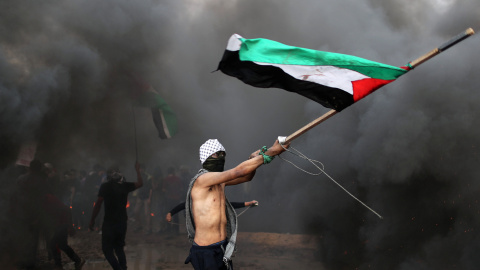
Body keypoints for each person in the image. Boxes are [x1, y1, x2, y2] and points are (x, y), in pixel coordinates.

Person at [184, 138, 288, 270]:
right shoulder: (202, 180)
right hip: (206, 251)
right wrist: (271, 152)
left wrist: (253, 158)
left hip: (221, 247)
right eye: (216, 154)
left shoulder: (219, 181)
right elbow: (238, 171)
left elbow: (246, 177)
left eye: (223, 154)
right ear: (206, 157)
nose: (221, 158)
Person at [89, 162, 143, 270]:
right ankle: (123, 268)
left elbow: (98, 204)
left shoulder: (105, 186)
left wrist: (92, 220)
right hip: (122, 222)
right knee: (119, 248)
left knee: (107, 249)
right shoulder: (125, 186)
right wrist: (137, 170)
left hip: (109, 222)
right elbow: (140, 183)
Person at [43, 192, 85, 270]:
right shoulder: (48, 199)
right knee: (61, 245)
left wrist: (70, 226)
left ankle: (59, 264)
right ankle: (76, 260)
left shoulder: (49, 198)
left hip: (62, 225)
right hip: (59, 225)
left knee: (55, 244)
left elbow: (66, 210)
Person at [132, 163, 153, 234]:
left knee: (147, 213)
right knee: (136, 211)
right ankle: (139, 225)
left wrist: (150, 198)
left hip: (146, 197)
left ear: (143, 169)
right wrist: (136, 195)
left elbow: (151, 189)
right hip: (140, 197)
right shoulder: (138, 176)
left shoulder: (148, 177)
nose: (140, 170)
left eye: (141, 169)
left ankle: (149, 228)